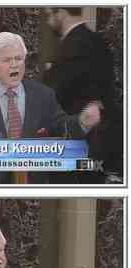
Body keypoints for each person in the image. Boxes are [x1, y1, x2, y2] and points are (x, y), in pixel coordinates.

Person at [0, 31, 102, 184]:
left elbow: (60, 127)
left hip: (31, 194)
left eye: (18, 58)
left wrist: (82, 122)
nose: (14, 64)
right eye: (7, 60)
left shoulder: (43, 95)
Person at [44, 8, 120, 183]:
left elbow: (56, 93)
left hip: (74, 141)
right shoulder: (98, 41)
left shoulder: (74, 45)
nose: (48, 22)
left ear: (61, 12)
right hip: (99, 141)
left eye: (49, 15)